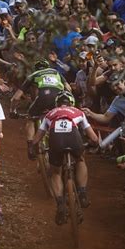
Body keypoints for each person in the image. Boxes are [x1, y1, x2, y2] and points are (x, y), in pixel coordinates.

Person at [32, 91, 98, 225]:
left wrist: (34, 148)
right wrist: (95, 143)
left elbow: (36, 139)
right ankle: (82, 192)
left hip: (56, 141)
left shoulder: (50, 114)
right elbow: (93, 137)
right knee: (80, 160)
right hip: (74, 139)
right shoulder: (78, 112)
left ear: (56, 104)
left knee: (56, 172)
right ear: (72, 103)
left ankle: (61, 204)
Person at [10, 60, 71, 160]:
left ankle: (30, 147)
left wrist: (12, 111)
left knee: (30, 119)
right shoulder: (56, 72)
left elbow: (16, 97)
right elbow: (68, 88)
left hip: (44, 97)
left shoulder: (34, 75)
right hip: (60, 98)